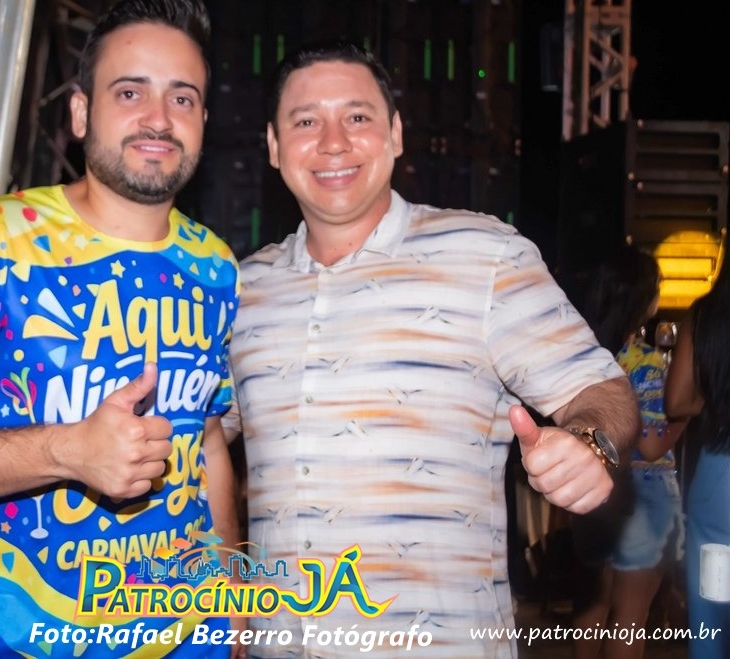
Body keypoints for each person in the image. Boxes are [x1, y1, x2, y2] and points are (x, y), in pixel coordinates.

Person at [222, 40, 641, 658]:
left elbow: (602, 391)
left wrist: (590, 444)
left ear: (395, 134)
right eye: (306, 122)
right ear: (274, 146)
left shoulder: (486, 256)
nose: (334, 141)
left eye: (357, 116)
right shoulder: (242, 289)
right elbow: (196, 441)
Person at [0, 0, 242, 657]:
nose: (159, 118)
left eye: (182, 98)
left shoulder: (216, 266)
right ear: (81, 112)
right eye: (131, 92)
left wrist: (233, 599)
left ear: (203, 121)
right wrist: (68, 450)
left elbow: (207, 441)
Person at [570, 245, 685, 659]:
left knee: (596, 604)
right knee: (632, 616)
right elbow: (652, 445)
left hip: (596, 488)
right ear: (643, 298)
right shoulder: (646, 361)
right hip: (645, 490)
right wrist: (687, 412)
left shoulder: (586, 355)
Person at [665, 257, 730, 659]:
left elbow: (676, 401)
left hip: (718, 483)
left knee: (712, 625)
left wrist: (720, 402)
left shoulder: (705, 315)